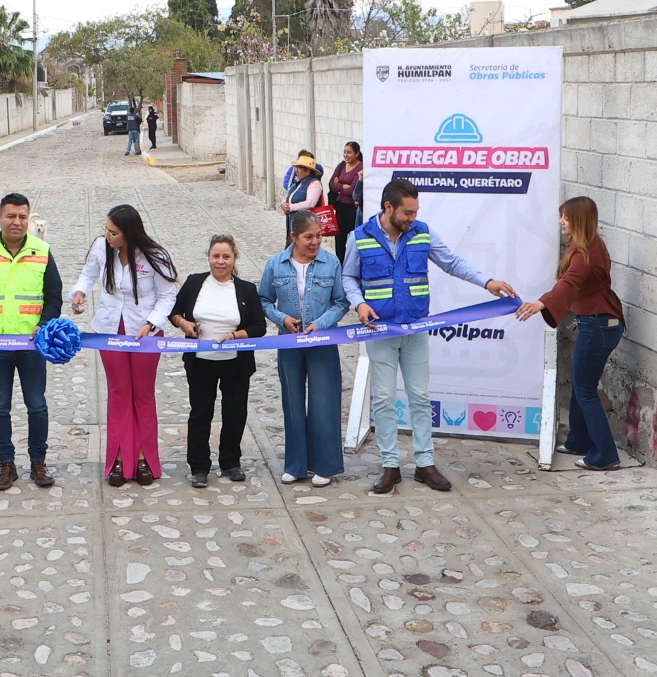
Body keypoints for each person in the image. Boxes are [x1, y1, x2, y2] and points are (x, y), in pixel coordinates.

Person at [345, 179, 516, 495]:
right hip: (380, 332)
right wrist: (359, 303)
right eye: (407, 213)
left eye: (415, 212)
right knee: (383, 399)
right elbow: (348, 277)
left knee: (420, 397)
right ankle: (390, 465)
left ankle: (425, 464)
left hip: (416, 330)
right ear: (388, 207)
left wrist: (487, 282)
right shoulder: (359, 237)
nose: (412, 218)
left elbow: (452, 262)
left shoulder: (422, 233)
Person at [72, 204, 179, 486]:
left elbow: (168, 296)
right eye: (106, 230)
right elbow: (88, 274)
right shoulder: (101, 247)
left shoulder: (155, 256)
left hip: (144, 333)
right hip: (110, 329)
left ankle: (144, 458)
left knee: (142, 394)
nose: (107, 236)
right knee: (119, 393)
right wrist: (80, 293)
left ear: (129, 233)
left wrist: (151, 324)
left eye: (114, 232)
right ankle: (118, 459)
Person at [515, 196, 625, 471]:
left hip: (599, 326)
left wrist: (541, 303)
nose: (561, 222)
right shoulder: (589, 247)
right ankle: (579, 441)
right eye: (561, 216)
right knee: (580, 385)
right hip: (600, 324)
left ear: (580, 220)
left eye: (567, 217)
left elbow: (568, 284)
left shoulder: (585, 255)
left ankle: (605, 455)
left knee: (585, 390)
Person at [0, 192, 64, 490]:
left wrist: (43, 325)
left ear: (28, 219)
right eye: (10, 216)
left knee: (37, 405)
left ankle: (38, 462)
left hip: (32, 346)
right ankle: (5, 464)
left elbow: (54, 296)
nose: (16, 222)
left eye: (22, 216)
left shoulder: (42, 251)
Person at [170, 234, 267, 487]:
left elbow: (259, 326)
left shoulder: (246, 289)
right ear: (209, 257)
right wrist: (185, 324)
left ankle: (231, 462)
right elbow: (174, 312)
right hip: (200, 361)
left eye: (226, 256)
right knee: (200, 413)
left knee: (235, 412)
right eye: (216, 256)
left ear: (234, 259)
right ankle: (199, 466)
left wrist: (235, 336)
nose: (220, 262)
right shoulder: (194, 283)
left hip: (235, 362)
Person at [259, 211, 348, 486]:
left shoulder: (331, 263)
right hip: (289, 343)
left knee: (324, 402)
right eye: (309, 237)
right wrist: (281, 318)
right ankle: (296, 465)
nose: (315, 242)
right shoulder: (275, 265)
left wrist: (321, 323)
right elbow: (263, 300)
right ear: (293, 237)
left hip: (322, 342)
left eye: (319, 236)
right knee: (292, 402)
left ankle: (324, 465)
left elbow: (341, 302)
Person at [329, 141, 364, 262]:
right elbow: (331, 184)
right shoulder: (341, 165)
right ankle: (339, 264)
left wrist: (339, 186)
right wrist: (343, 186)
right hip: (340, 206)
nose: (346, 155)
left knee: (351, 238)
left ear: (357, 153)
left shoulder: (360, 168)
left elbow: (353, 190)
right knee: (339, 238)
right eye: (344, 152)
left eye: (349, 152)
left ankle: (351, 264)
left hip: (352, 208)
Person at [281, 154, 324, 242]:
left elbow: (310, 203)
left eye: (299, 168)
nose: (296, 171)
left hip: (305, 225)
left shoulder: (314, 184)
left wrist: (291, 207)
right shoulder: (299, 183)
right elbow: (290, 198)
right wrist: (283, 205)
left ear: (307, 170)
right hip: (293, 223)